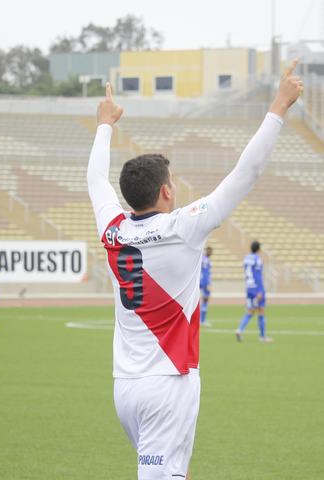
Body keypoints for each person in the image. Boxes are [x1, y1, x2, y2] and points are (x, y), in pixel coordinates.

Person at [87, 63, 302, 479]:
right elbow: (247, 172)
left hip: (125, 386)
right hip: (168, 383)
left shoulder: (112, 229)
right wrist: (279, 105)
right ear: (166, 191)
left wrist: (104, 126)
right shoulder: (182, 227)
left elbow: (96, 180)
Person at [235, 240, 273, 343]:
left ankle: (239, 330)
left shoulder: (246, 258)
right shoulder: (257, 259)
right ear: (258, 249)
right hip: (257, 288)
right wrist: (260, 290)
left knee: (250, 311)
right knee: (261, 310)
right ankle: (262, 337)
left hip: (248, 287)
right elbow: (258, 275)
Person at [199, 246, 213, 326]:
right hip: (204, 282)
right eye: (209, 251)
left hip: (202, 281)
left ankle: (202, 319)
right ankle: (202, 320)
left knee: (203, 300)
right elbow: (205, 273)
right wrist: (207, 283)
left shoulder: (203, 259)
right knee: (205, 300)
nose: (211, 253)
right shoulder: (205, 260)